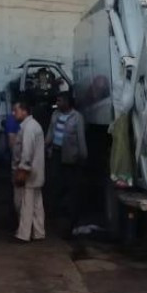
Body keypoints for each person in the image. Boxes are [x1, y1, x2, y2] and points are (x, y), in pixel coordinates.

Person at [46, 91, 88, 236]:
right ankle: (55, 217)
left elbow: (81, 138)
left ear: (67, 102)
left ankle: (71, 220)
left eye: (60, 101)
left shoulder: (77, 117)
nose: (57, 103)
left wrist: (82, 156)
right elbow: (50, 133)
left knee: (72, 188)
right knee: (55, 185)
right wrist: (45, 146)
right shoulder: (55, 115)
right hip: (56, 154)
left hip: (70, 157)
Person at [11, 99, 46, 242]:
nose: (13, 113)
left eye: (16, 110)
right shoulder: (32, 125)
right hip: (36, 172)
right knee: (37, 205)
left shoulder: (29, 128)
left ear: (25, 111)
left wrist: (22, 170)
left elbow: (27, 151)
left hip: (28, 173)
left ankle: (23, 235)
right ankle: (39, 232)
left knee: (25, 204)